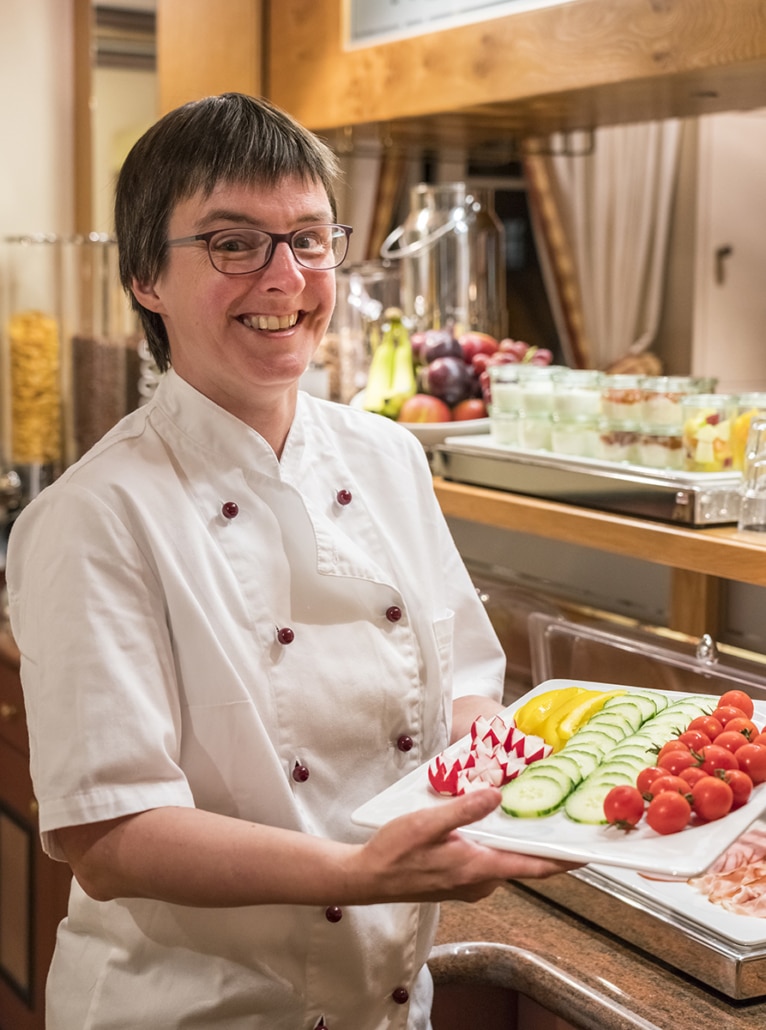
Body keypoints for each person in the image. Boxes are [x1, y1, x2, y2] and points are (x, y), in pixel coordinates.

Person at [6, 93, 571, 1030]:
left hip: (387, 1001)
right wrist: (361, 871)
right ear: (146, 275)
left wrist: (502, 786)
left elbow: (466, 683)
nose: (286, 277)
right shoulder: (93, 517)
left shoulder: (388, 457)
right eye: (234, 244)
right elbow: (110, 836)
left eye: (310, 239)